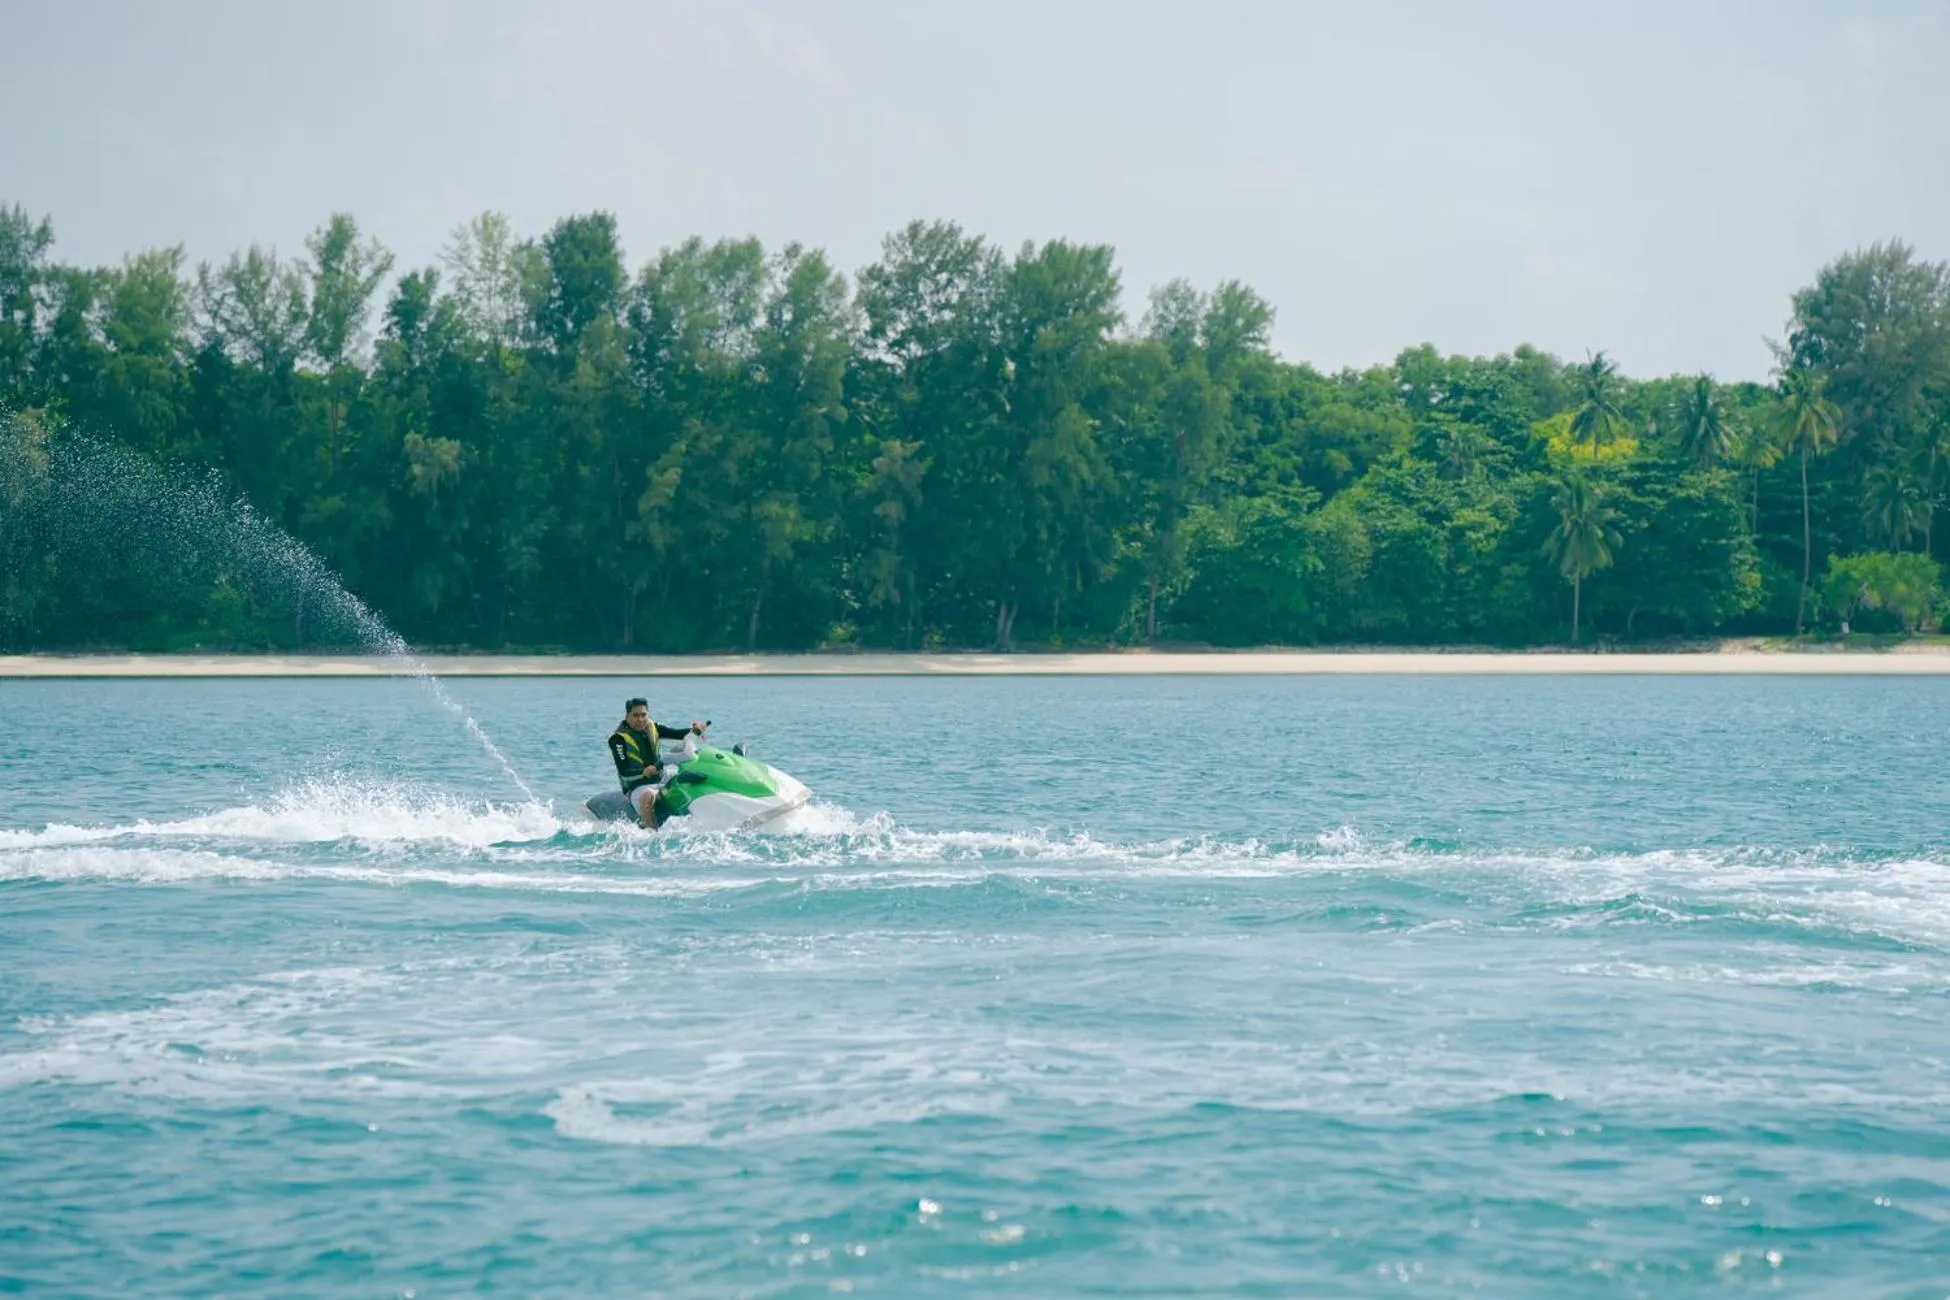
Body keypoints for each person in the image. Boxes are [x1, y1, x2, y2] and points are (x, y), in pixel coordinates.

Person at [608, 698, 707, 825]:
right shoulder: (618, 739)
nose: (640, 719)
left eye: (643, 715)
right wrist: (643, 772)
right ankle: (651, 834)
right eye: (635, 715)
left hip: (661, 777)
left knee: (690, 774)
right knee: (647, 797)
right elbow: (624, 773)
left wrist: (696, 730)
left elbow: (677, 733)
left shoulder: (652, 727)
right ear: (627, 717)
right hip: (638, 787)